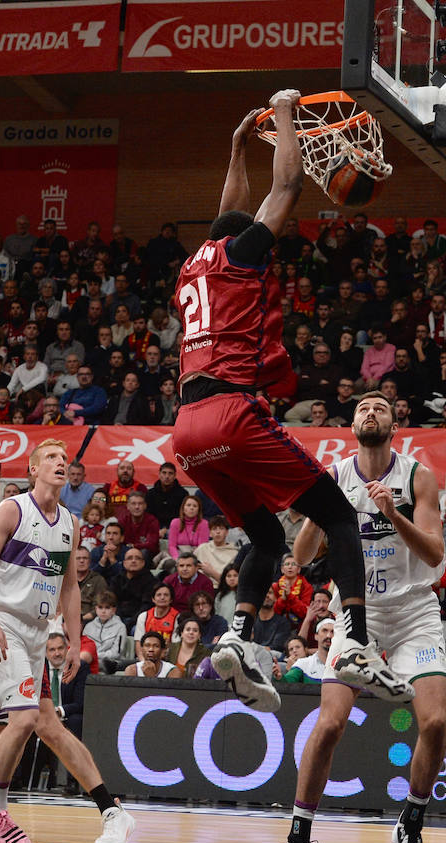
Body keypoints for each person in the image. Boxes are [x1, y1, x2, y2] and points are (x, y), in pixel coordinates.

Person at [171, 93, 409, 712]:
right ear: (244, 238)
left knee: (263, 535)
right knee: (336, 513)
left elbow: (228, 211)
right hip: (230, 411)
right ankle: (355, 639)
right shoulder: (243, 257)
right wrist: (283, 115)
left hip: (186, 432)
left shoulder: (194, 267)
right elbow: (286, 189)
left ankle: (239, 636)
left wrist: (234, 146)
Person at [0, 439, 133, 843]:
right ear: (33, 469)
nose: (61, 463)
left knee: (5, 721)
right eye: (52, 458)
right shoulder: (12, 510)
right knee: (22, 719)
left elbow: (70, 584)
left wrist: (73, 640)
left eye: (64, 459)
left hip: (38, 630)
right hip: (4, 626)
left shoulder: (69, 522)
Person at [280, 390, 446, 843]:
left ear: (394, 426)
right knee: (330, 724)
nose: (370, 412)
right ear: (352, 426)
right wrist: (322, 510)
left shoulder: (417, 476)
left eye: (380, 408)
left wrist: (392, 514)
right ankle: (297, 840)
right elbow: (302, 557)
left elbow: (435, 555)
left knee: (434, 722)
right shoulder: (334, 478)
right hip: (356, 613)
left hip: (413, 609)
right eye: (362, 408)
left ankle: (411, 824)